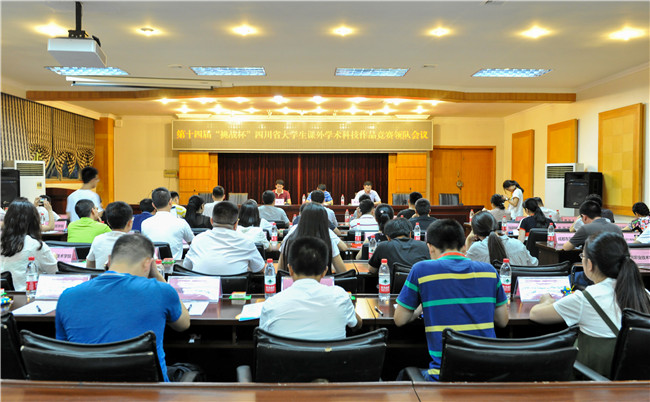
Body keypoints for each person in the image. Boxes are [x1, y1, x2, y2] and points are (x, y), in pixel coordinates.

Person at [55, 234, 190, 382]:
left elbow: (63, 351)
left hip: (87, 390)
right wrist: (157, 275)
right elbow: (183, 324)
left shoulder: (67, 296)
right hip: (148, 390)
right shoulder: (161, 291)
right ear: (148, 264)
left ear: (109, 260)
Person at [394, 219, 509, 381]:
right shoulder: (489, 271)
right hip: (489, 373)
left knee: (402, 375)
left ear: (430, 247)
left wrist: (421, 306)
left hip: (445, 376)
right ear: (464, 247)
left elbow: (400, 319)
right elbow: (502, 321)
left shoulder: (421, 270)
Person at [530, 232, 650, 377]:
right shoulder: (644, 294)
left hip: (591, 384)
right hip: (638, 385)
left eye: (582, 256)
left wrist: (546, 301)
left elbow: (535, 314)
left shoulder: (586, 298)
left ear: (590, 264)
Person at [259, 236, 362, 340]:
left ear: (290, 269)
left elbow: (262, 338)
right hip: (331, 351)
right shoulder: (340, 297)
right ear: (324, 271)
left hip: (284, 351)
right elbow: (357, 324)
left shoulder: (271, 305)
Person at [183, 201, 264, 275]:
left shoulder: (197, 240)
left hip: (203, 286)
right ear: (236, 224)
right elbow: (260, 269)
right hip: (235, 286)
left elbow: (186, 267)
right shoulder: (246, 242)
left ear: (211, 221)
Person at [0, 199, 58, 291]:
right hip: (27, 295)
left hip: (5, 296)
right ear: (34, 220)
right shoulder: (35, 245)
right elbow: (55, 272)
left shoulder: (2, 241)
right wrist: (53, 257)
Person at [279, 203, 347, 274]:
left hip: (294, 280)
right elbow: (342, 272)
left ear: (302, 218)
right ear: (324, 221)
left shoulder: (290, 239)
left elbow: (280, 271)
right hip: (322, 280)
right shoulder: (328, 240)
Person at [466, 211, 538, 266]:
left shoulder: (476, 248)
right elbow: (534, 264)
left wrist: (468, 240)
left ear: (475, 232)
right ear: (496, 225)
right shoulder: (518, 244)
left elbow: (466, 267)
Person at [141, 187, 194, 260]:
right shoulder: (181, 223)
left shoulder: (144, 224)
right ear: (170, 202)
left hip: (153, 265)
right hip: (176, 265)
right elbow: (193, 243)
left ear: (153, 205)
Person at [86, 201, 133, 269]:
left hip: (103, 276)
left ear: (108, 222)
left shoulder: (98, 239)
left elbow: (89, 266)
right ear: (130, 222)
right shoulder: (137, 242)